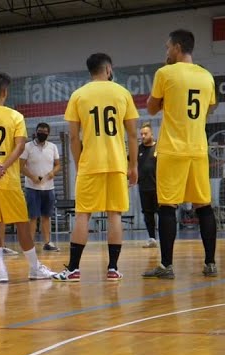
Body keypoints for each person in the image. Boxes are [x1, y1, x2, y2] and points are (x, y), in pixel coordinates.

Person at [0, 71, 57, 283]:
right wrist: (3, 167)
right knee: (22, 223)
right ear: (5, 92)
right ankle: (34, 268)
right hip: (8, 179)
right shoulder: (15, 116)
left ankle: (1, 271)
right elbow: (20, 145)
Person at [53, 52, 139, 282]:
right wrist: (133, 166)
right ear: (108, 69)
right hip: (117, 163)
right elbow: (132, 134)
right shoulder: (122, 93)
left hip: (90, 163)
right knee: (115, 215)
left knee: (83, 215)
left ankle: (73, 269)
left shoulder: (78, 95)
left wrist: (80, 163)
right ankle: (112, 268)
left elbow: (73, 138)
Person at [142, 28, 218, 279]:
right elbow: (211, 108)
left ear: (176, 47)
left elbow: (151, 108)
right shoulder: (207, 76)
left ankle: (166, 266)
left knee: (167, 206)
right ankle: (210, 263)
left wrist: (167, 101)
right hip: (198, 148)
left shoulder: (165, 72)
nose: (166, 51)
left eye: (167, 47)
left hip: (172, 149)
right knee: (204, 206)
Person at [23, 121, 62, 252]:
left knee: (47, 216)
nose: (42, 134)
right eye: (40, 131)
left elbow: (58, 165)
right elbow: (20, 166)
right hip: (32, 188)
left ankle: (48, 243)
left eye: (45, 132)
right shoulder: (27, 147)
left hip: (48, 188)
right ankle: (30, 244)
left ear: (48, 134)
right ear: (36, 131)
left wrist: (52, 173)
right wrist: (32, 177)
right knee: (33, 217)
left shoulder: (53, 147)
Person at [137, 123, 158, 248]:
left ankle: (165, 238)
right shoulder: (138, 149)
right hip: (144, 188)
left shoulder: (158, 148)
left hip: (158, 187)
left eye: (145, 134)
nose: (143, 136)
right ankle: (152, 238)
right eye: (141, 134)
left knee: (162, 213)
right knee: (147, 214)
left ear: (151, 134)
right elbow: (131, 164)